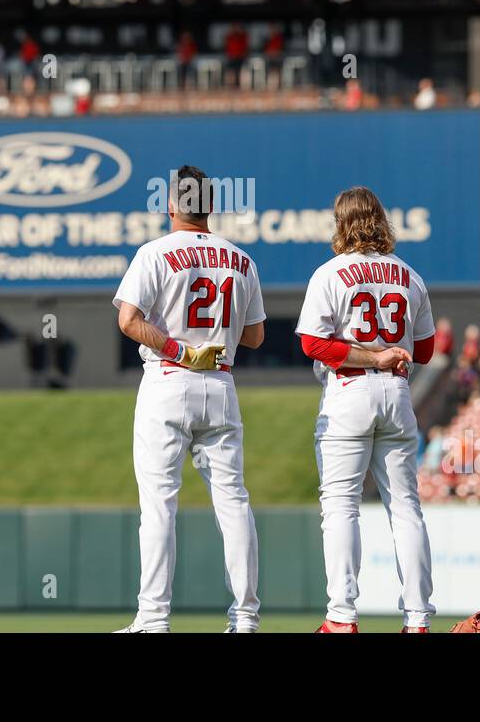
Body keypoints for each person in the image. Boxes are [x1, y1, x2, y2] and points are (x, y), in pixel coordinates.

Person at [113, 164, 265, 633]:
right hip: (220, 384)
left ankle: (154, 618)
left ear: (171, 205)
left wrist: (179, 346)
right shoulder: (240, 258)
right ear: (211, 207)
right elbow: (256, 337)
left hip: (169, 378)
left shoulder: (154, 252)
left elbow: (128, 321)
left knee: (159, 503)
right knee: (234, 501)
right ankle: (245, 617)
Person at [296, 186, 438, 633]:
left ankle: (341, 617)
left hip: (349, 391)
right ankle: (417, 619)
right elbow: (427, 349)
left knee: (340, 506)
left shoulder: (330, 273)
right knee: (406, 508)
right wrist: (386, 353)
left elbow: (312, 343)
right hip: (396, 393)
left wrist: (370, 355)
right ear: (382, 221)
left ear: (341, 223)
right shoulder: (409, 275)